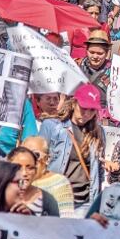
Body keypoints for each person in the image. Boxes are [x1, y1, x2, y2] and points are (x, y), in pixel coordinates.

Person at [39, 84, 104, 216]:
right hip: (55, 197)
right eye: (83, 108)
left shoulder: (98, 132)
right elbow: (39, 161)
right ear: (74, 103)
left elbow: (98, 169)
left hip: (85, 201)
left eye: (92, 110)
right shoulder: (52, 126)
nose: (86, 114)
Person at [22, 135, 75, 217]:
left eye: (35, 155)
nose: (30, 159)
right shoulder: (15, 181)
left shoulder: (59, 183)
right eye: (25, 154)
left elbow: (66, 219)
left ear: (47, 159)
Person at [4, 146, 60, 216]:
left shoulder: (48, 201)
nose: (24, 173)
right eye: (18, 167)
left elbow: (54, 225)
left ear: (36, 170)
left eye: (30, 168)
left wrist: (31, 217)